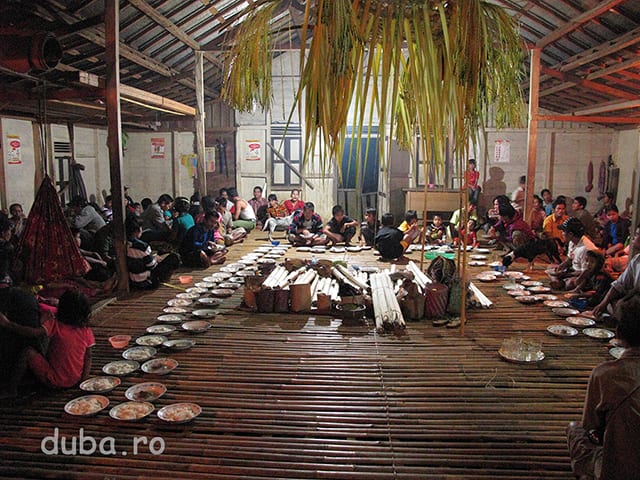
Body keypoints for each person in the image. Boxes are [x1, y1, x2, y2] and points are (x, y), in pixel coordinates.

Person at [566, 294, 640, 480]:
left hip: (621, 471)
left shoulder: (606, 374)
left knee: (575, 430)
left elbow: (591, 427)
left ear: (618, 333)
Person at [0, 290, 94, 399]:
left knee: (28, 352)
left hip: (55, 381)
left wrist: (7, 324)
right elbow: (88, 357)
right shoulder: (86, 330)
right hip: (75, 380)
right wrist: (83, 382)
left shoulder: (55, 324)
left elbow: (32, 333)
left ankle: (11, 389)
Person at [593, 226, 640, 317]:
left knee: (624, 306)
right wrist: (603, 303)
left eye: (637, 234)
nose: (634, 236)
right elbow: (620, 284)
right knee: (610, 303)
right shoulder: (637, 259)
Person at [125, 219, 180, 289]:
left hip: (133, 281)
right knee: (175, 257)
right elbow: (152, 265)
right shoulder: (142, 246)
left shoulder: (126, 244)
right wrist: (155, 258)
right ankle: (164, 278)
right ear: (137, 231)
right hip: (146, 281)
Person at [548, 218, 598, 291]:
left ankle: (561, 282)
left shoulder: (585, 249)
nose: (562, 233)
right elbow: (570, 258)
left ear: (571, 234)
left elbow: (586, 272)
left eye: (563, 231)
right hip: (573, 270)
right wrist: (561, 266)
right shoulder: (572, 241)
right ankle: (559, 282)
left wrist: (566, 275)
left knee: (570, 283)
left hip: (584, 276)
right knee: (550, 267)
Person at [0, 218, 15, 286]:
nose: (10, 234)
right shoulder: (7, 246)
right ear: (3, 233)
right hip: (3, 279)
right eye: (9, 231)